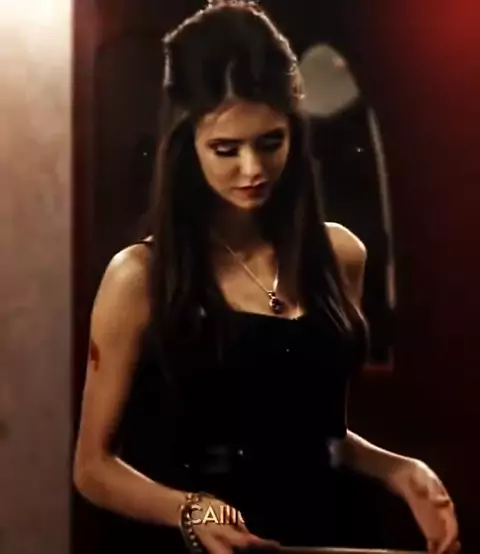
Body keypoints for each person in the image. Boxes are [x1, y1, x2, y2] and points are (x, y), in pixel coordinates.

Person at [73, 2, 460, 553]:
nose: (252, 169)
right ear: (186, 145)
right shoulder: (139, 277)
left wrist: (399, 469)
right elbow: (92, 467)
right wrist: (187, 510)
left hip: (311, 536)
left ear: (294, 130)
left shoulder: (340, 256)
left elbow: (315, 432)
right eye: (225, 149)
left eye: (270, 141)